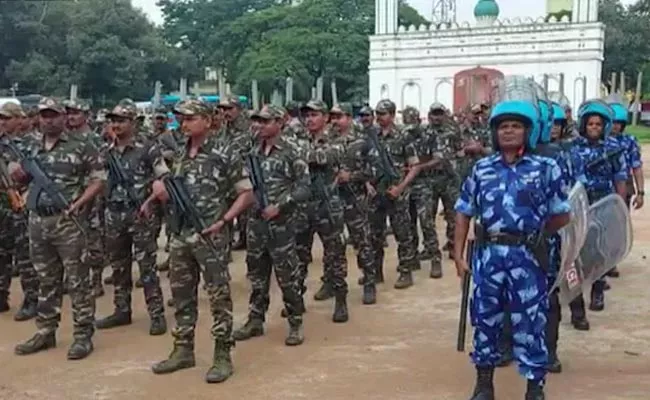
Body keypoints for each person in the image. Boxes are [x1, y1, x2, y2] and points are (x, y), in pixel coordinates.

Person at [454, 79, 571, 400]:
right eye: (503, 126)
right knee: (486, 320)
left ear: (528, 131)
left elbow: (564, 214)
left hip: (528, 258)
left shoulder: (546, 168)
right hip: (489, 257)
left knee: (531, 322)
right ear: (494, 131)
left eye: (516, 126)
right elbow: (463, 211)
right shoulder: (481, 169)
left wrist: (538, 234)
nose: (508, 131)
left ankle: (535, 386)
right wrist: (458, 254)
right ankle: (483, 383)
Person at [149, 99, 253, 383]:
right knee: (181, 293)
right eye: (181, 119)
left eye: (190, 118)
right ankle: (183, 349)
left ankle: (222, 354)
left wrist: (224, 220)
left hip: (211, 236)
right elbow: (169, 186)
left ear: (207, 121)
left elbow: (246, 193)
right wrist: (155, 194)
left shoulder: (224, 152)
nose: (184, 124)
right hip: (180, 235)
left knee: (218, 295)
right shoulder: (178, 153)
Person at [12, 97, 106, 360]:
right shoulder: (30, 145)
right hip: (38, 220)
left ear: (63, 117)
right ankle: (45, 331)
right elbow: (20, 177)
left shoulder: (82, 146)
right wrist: (19, 174)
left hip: (67, 221)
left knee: (78, 280)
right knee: (46, 278)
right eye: (43, 115)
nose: (48, 119)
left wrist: (79, 203)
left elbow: (99, 180)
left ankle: (82, 334)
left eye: (53, 115)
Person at [233, 105, 310, 344]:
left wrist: (280, 205)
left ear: (279, 122)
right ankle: (256, 320)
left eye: (265, 121)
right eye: (257, 121)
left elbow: (304, 187)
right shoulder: (253, 151)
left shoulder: (291, 151)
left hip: (282, 224)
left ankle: (295, 323)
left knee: (287, 276)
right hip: (256, 223)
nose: (259, 125)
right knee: (257, 275)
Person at [94, 100, 167, 336]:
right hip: (113, 213)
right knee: (118, 265)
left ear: (133, 122)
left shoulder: (148, 148)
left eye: (121, 120)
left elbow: (164, 178)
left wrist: (149, 202)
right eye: (113, 120)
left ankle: (156, 314)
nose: (116, 124)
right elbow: (97, 181)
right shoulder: (105, 151)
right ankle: (121, 310)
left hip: (139, 214)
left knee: (147, 266)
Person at [569, 99, 628, 318]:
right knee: (573, 255)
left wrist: (619, 208)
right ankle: (576, 306)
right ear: (583, 125)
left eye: (598, 124)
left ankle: (597, 291)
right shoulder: (573, 148)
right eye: (590, 124)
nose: (594, 128)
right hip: (578, 207)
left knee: (599, 252)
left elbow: (620, 179)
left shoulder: (613, 149)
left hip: (603, 204)